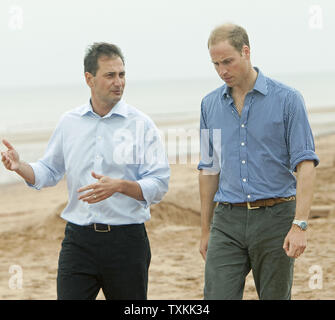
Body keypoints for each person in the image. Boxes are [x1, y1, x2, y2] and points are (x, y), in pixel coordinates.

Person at [1, 42, 170, 300]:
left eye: (122, 75)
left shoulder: (141, 125)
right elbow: (48, 170)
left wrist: (120, 186)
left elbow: (159, 184)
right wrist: (19, 167)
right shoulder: (69, 123)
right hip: (78, 241)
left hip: (127, 241)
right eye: (110, 75)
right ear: (89, 79)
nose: (118, 82)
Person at [198, 23, 319, 300]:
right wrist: (206, 230)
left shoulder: (288, 99)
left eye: (228, 61)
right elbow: (208, 169)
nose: (222, 71)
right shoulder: (209, 105)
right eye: (215, 64)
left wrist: (299, 224)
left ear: (246, 51)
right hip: (227, 219)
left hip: (276, 217)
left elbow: (306, 164)